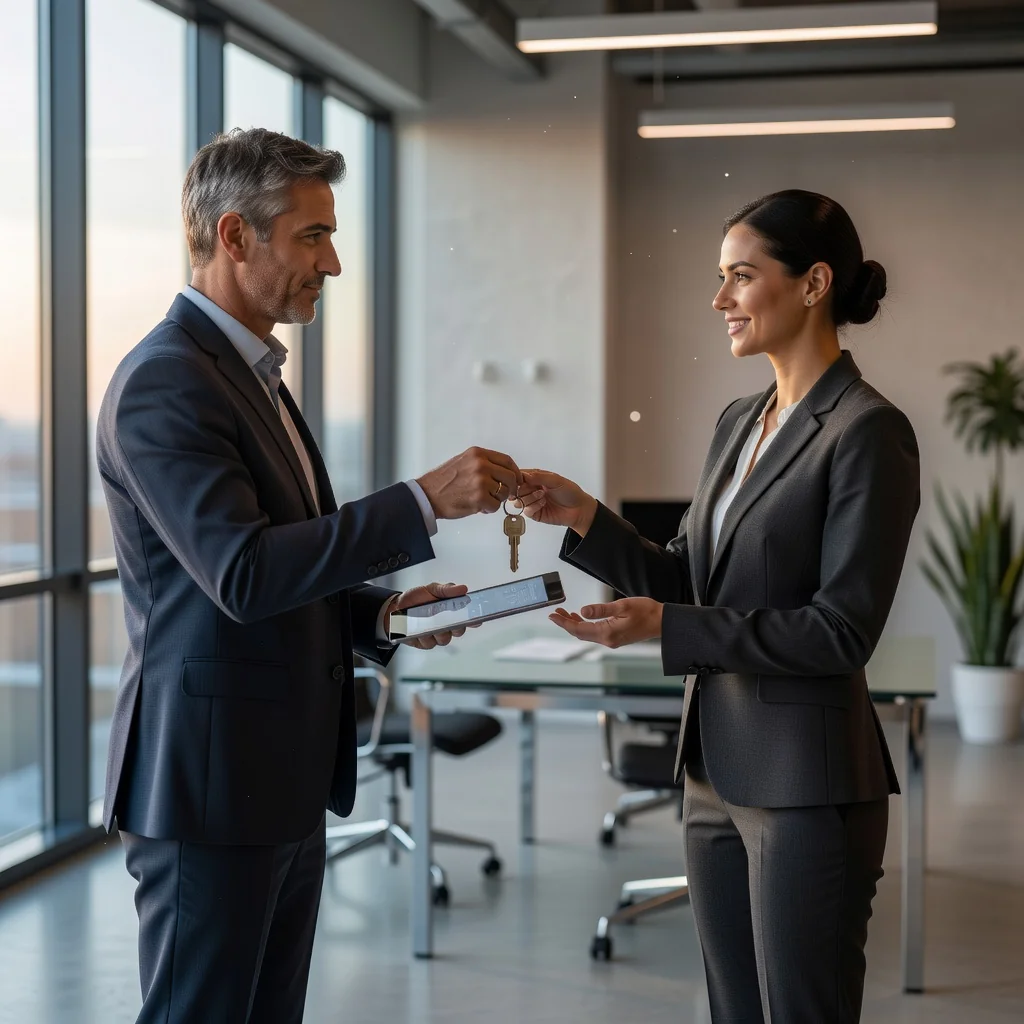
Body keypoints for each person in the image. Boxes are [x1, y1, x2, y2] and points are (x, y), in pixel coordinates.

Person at [96, 128, 522, 1024]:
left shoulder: (255, 379)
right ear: (235, 237)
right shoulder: (166, 383)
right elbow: (241, 574)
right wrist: (421, 503)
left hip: (277, 779)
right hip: (208, 792)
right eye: (312, 236)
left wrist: (381, 618)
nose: (331, 263)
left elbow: (282, 566)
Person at [521, 190, 920, 1023]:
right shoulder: (740, 421)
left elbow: (840, 632)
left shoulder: (868, 431)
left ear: (813, 285)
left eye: (741, 276)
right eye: (719, 277)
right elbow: (688, 577)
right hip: (713, 771)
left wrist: (669, 628)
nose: (720, 300)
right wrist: (585, 517)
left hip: (807, 785)